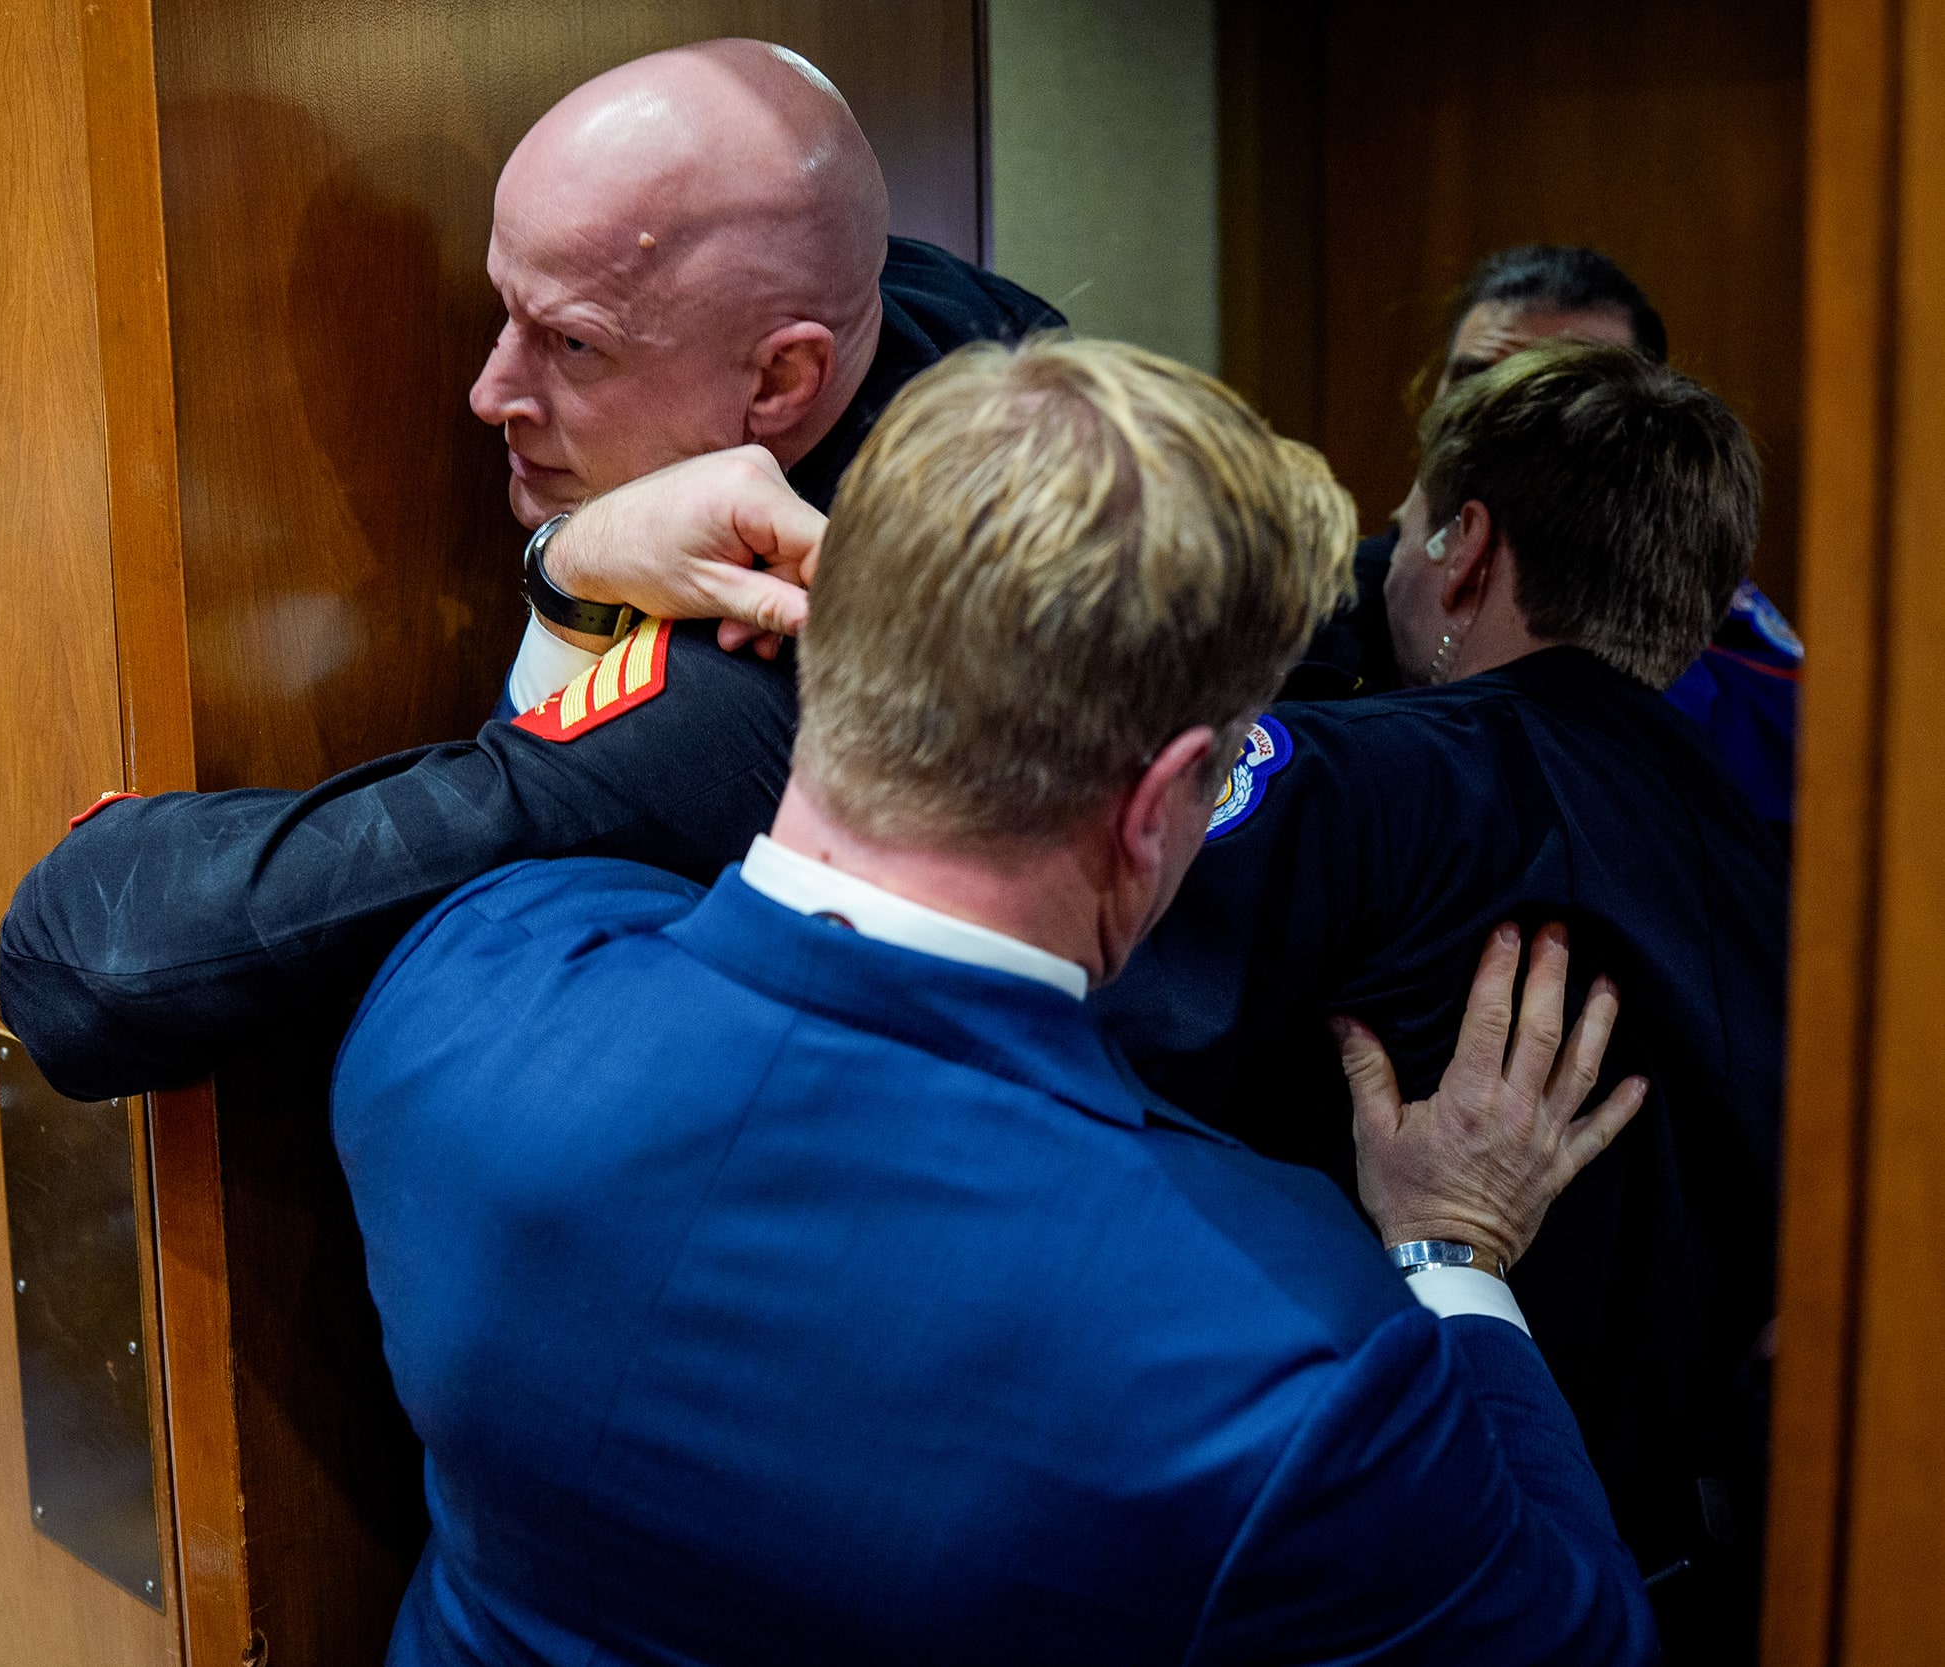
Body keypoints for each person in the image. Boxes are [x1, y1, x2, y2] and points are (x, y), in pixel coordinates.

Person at [331, 337, 1656, 1665]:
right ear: (1154, 805)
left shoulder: (453, 992)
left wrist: (563, 572)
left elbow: (553, 822)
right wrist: (1452, 1250)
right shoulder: (1279, 1350)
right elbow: (1586, 1644)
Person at [0, 40, 1055, 1099]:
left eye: (573, 345)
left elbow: (90, 964)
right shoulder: (953, 326)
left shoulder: (752, 680)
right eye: (505, 307)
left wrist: (572, 569)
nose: (489, 388)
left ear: (783, 376)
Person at [1097, 342, 1785, 1659]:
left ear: (1465, 552)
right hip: (1645, 1570)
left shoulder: (1343, 779)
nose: (1393, 560)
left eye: (1407, 527)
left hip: (1317, 1533)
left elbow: (1098, 1074)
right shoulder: (1780, 875)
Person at [1292, 244, 1800, 831]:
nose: (1507, 420)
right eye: (1475, 384)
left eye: (1569, 390)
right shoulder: (1313, 616)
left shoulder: (1744, 675)